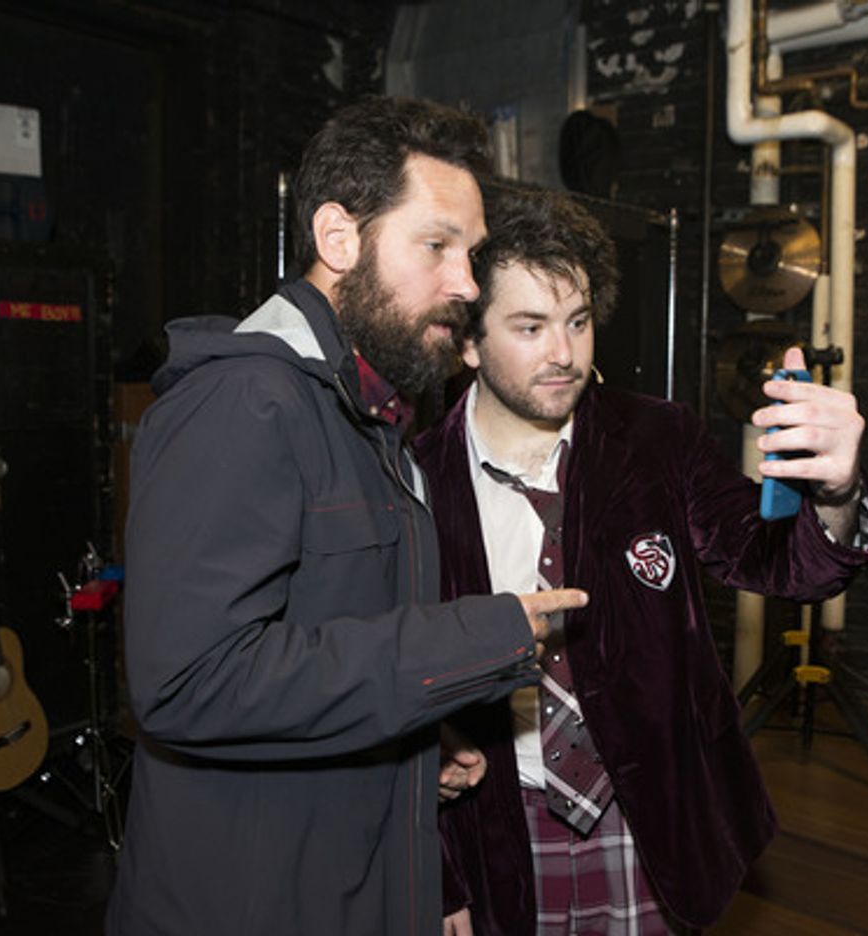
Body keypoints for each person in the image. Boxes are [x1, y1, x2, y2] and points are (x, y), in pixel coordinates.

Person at [105, 98, 587, 936]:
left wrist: (407, 755)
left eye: (469, 256)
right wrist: (472, 644)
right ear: (338, 239)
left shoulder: (366, 416)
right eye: (436, 246)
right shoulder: (244, 402)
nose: (465, 285)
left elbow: (319, 649)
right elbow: (189, 684)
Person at [414, 189, 868, 935]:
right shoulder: (416, 481)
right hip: (497, 826)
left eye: (578, 322)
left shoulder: (657, 440)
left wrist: (837, 490)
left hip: (647, 821)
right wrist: (437, 883)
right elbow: (400, 699)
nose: (564, 353)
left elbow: (787, 567)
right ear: (467, 341)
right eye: (530, 327)